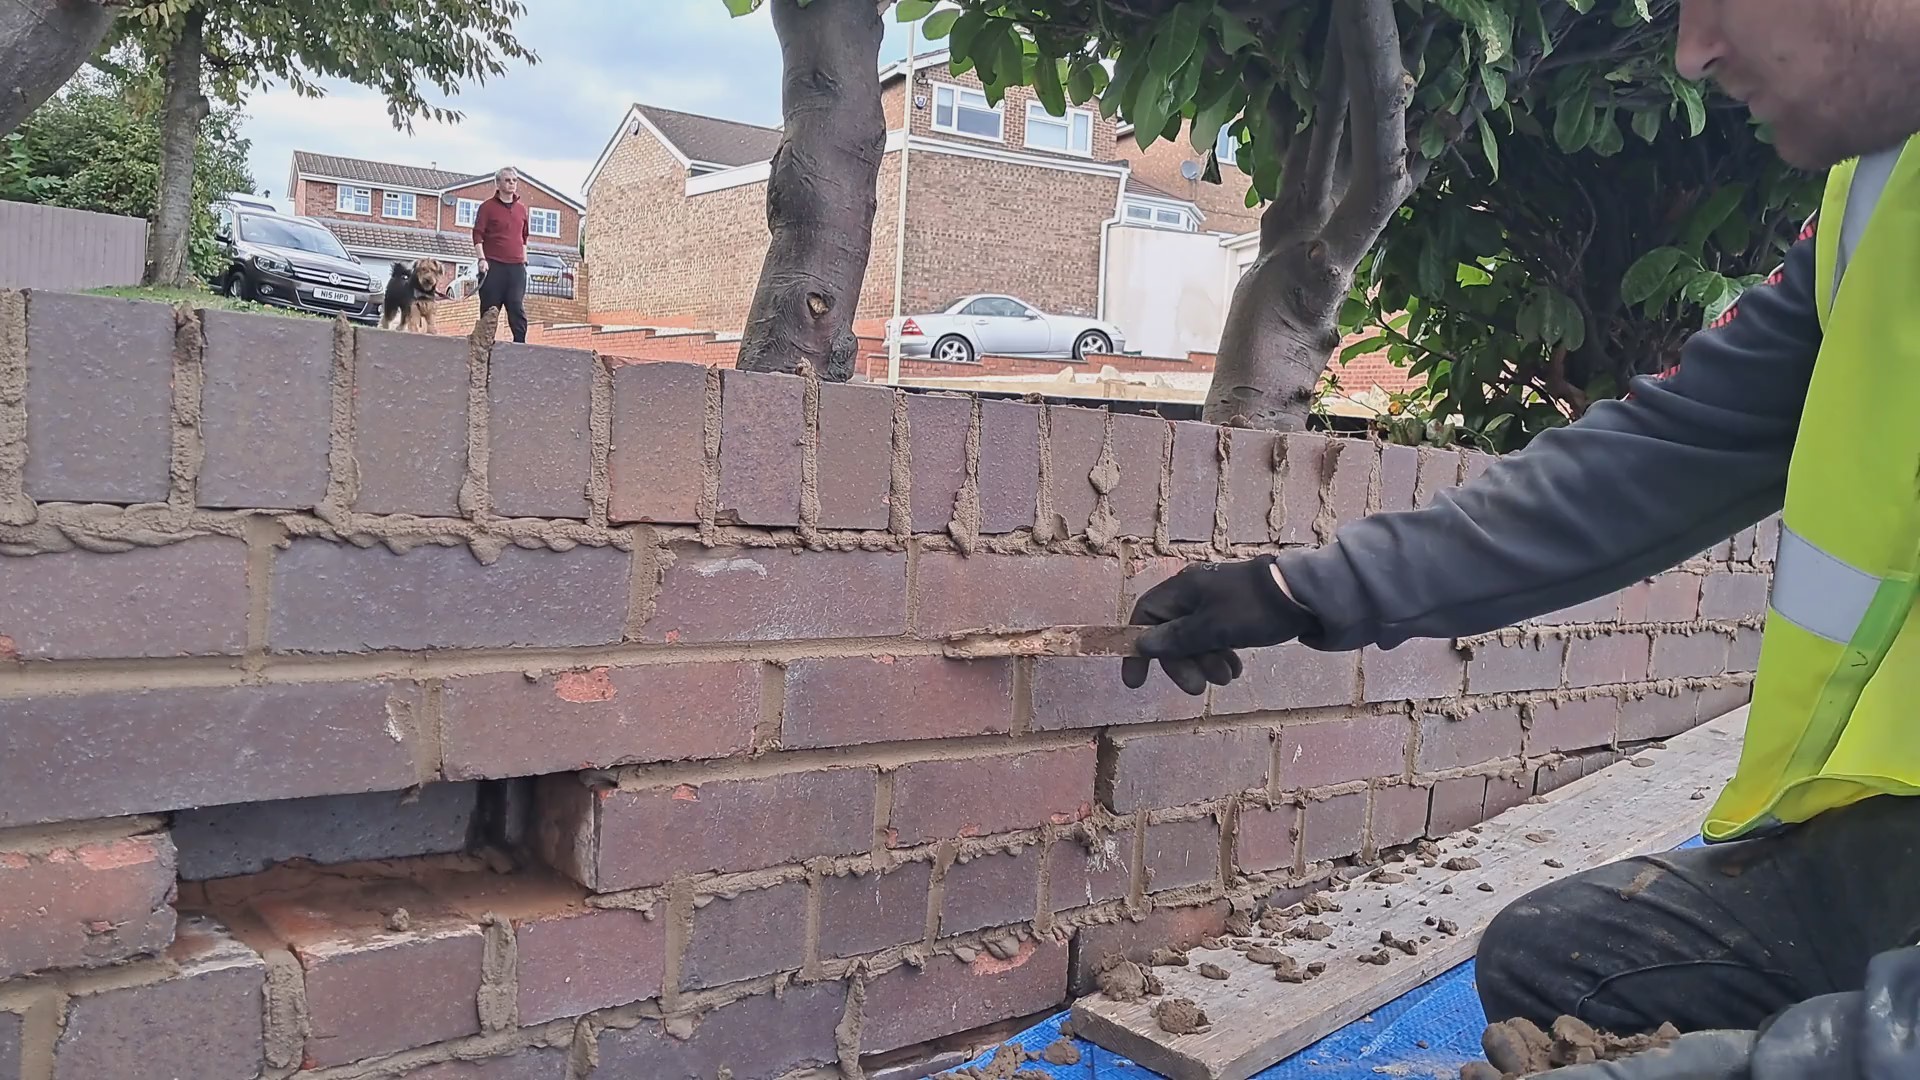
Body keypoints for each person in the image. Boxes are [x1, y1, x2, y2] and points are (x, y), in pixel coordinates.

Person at [1120, 1, 1920, 1077]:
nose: (1692, 53)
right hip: (1895, 840)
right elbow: (1658, 455)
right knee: (1563, 966)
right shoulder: (1883, 193)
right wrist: (1302, 592)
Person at [472, 166, 530, 343]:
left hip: (516, 267)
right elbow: (477, 234)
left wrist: (524, 259)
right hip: (493, 265)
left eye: (514, 180)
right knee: (490, 309)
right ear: (498, 183)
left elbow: (524, 236)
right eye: (507, 180)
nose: (512, 183)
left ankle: (520, 346)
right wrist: (482, 259)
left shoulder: (522, 209)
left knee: (516, 306)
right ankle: (483, 346)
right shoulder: (487, 207)